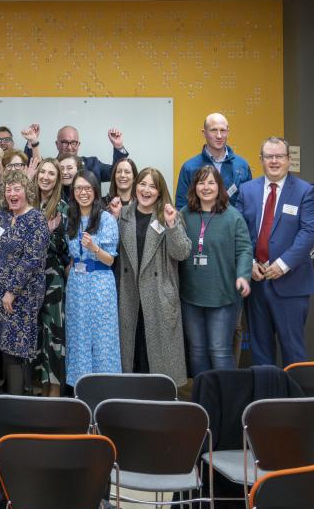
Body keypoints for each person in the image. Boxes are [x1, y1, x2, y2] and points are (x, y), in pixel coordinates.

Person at [238, 137, 314, 366]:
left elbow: (309, 232)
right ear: (261, 160)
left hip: (291, 283)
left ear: (288, 160)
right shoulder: (247, 190)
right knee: (261, 353)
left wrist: (282, 265)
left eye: (279, 156)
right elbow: (240, 232)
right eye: (269, 156)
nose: (274, 161)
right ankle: (266, 401)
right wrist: (249, 263)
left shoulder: (305, 191)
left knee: (294, 351)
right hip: (257, 283)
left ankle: (298, 401)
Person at [0, 170, 50, 395]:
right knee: (6, 344)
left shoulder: (36, 219)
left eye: (17, 189)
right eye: (8, 189)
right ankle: (15, 397)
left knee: (17, 345)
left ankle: (19, 399)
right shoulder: (4, 217)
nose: (12, 193)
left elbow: (32, 259)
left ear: (27, 192)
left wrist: (12, 291)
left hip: (22, 293)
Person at [116, 168, 190, 386]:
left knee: (157, 360)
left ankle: (161, 403)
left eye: (152, 186)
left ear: (159, 192)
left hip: (158, 295)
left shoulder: (168, 215)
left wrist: (171, 225)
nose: (146, 190)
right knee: (134, 354)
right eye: (142, 184)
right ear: (135, 186)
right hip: (130, 296)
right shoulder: (123, 214)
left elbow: (182, 253)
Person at [180, 166, 252, 375]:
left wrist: (243, 276)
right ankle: (203, 400)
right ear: (194, 187)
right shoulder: (184, 214)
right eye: (201, 183)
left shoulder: (233, 217)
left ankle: (227, 403)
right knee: (197, 352)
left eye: (211, 182)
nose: (206, 187)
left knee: (220, 351)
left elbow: (245, 250)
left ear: (219, 187)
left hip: (223, 296)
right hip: (191, 295)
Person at [63, 171, 120, 390]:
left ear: (95, 190)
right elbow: (72, 256)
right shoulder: (72, 217)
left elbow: (110, 261)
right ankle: (81, 389)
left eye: (87, 188)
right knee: (78, 336)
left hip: (100, 284)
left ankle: (106, 389)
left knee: (103, 338)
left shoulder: (106, 218)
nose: (83, 192)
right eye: (78, 188)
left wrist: (94, 248)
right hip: (77, 284)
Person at [32, 158, 68, 393]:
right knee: (34, 332)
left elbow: (66, 249)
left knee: (53, 332)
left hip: (53, 276)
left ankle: (54, 388)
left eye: (51, 174)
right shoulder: (27, 204)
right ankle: (37, 386)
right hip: (29, 278)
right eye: (42, 172)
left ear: (57, 180)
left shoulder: (63, 207)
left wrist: (50, 234)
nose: (45, 177)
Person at [176, 113, 253, 211]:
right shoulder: (189, 168)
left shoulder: (242, 166)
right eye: (213, 130)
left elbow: (249, 205)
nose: (219, 136)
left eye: (223, 130)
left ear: (228, 132)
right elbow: (181, 208)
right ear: (204, 133)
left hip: (233, 224)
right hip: (201, 225)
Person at [26, 124, 130, 183]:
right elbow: (33, 166)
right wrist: (32, 141)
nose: (70, 147)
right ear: (57, 144)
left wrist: (118, 146)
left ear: (78, 144)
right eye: (64, 143)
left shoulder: (93, 164)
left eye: (73, 143)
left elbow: (115, 173)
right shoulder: (50, 167)